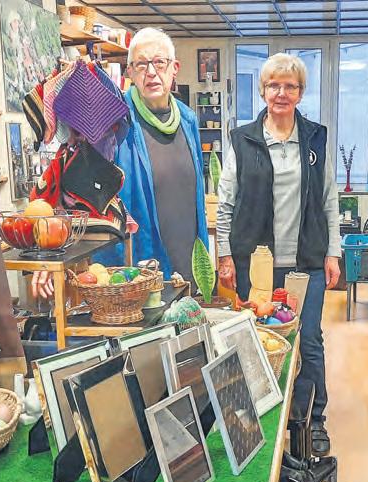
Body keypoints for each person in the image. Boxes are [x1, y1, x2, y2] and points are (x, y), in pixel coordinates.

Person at [216, 53, 341, 456]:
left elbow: (329, 200)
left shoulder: (315, 139)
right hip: (256, 265)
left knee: (309, 340)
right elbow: (226, 203)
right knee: (256, 339)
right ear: (263, 90)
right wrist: (224, 256)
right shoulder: (243, 140)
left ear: (300, 92)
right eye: (273, 85)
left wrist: (333, 253)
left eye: (290, 86)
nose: (281, 93)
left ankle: (310, 420)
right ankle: (258, 416)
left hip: (306, 262)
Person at [31, 27, 208, 298]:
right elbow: (71, 186)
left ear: (175, 68)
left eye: (160, 62)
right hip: (135, 269)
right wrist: (48, 252)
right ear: (130, 72)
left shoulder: (188, 119)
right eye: (141, 64)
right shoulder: (112, 122)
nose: (151, 72)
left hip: (188, 262)